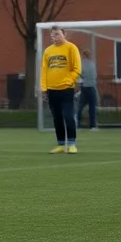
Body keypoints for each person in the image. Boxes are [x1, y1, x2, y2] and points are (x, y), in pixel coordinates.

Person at [41, 26, 82, 154]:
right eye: (53, 35)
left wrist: (70, 81)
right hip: (52, 90)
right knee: (56, 117)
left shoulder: (71, 48)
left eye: (57, 34)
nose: (55, 37)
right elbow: (44, 70)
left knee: (68, 115)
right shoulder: (48, 51)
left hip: (66, 89)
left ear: (64, 34)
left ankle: (72, 143)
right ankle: (60, 144)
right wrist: (43, 88)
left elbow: (77, 68)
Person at [75, 49, 99, 132]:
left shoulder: (81, 65)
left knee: (80, 106)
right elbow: (95, 76)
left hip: (85, 87)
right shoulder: (92, 64)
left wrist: (78, 87)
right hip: (92, 87)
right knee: (92, 107)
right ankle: (92, 126)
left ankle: (76, 123)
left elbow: (79, 76)